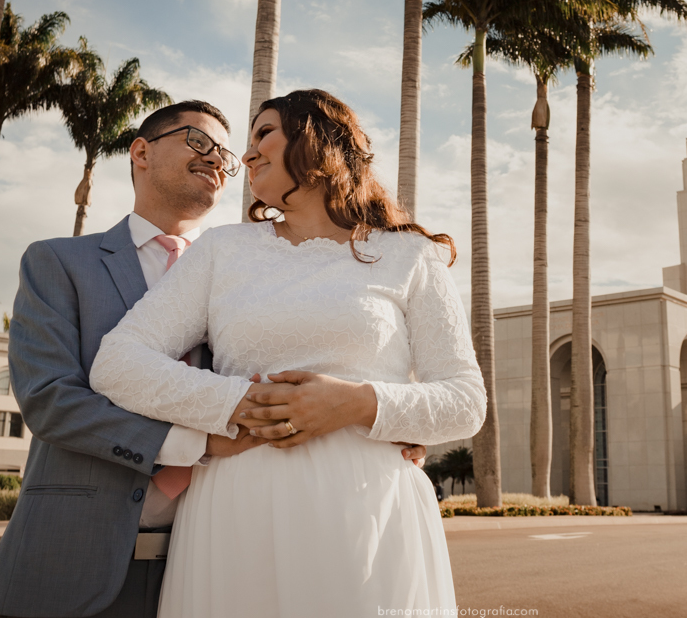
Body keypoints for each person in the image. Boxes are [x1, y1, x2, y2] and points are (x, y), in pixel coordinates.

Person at [0, 100, 427, 618]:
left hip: (218, 549)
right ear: (141, 151)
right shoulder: (58, 262)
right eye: (199, 141)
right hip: (76, 556)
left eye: (226, 153)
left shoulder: (251, 273)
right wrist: (199, 442)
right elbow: (50, 399)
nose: (219, 158)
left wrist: (386, 416)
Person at [89, 89, 486, 618]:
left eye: (263, 134)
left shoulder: (409, 255)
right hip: (235, 513)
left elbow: (465, 401)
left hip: (369, 514)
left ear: (319, 139)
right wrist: (241, 401)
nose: (247, 155)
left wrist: (358, 404)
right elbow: (117, 362)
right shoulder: (223, 249)